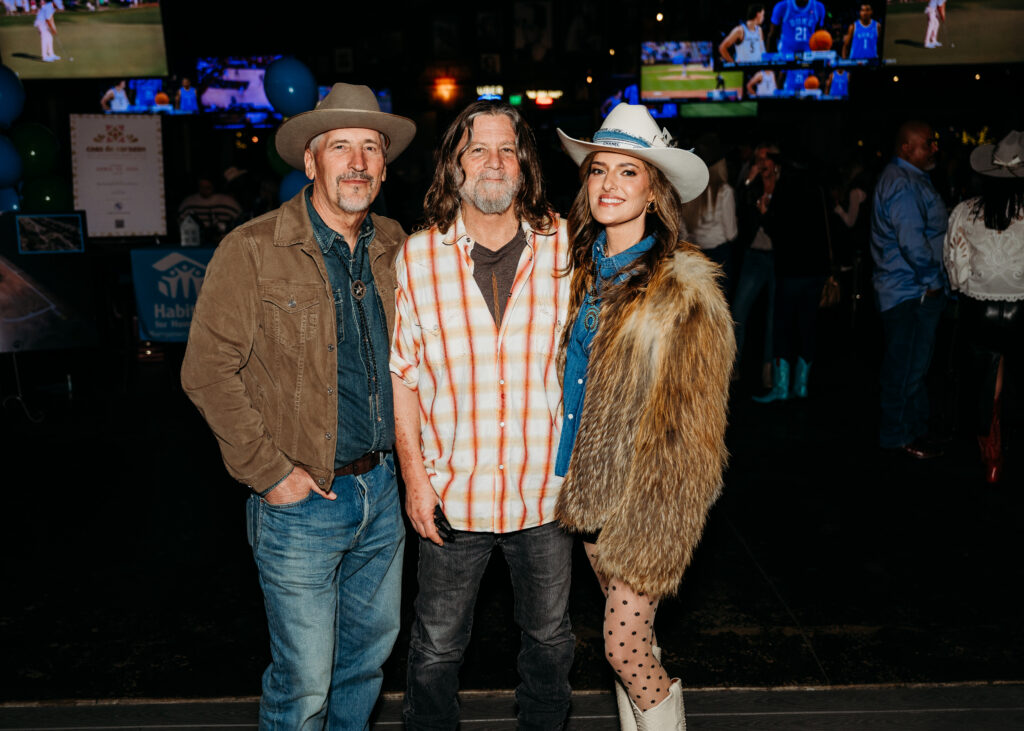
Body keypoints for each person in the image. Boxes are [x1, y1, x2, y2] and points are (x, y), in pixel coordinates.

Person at [180, 83, 416, 729]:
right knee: (304, 685)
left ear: (385, 165)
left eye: (371, 147)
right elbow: (205, 370)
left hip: (383, 494)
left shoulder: (397, 243)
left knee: (365, 668)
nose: (358, 161)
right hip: (302, 502)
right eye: (340, 146)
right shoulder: (252, 249)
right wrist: (271, 472)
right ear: (310, 161)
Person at [391, 100, 574, 730]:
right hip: (453, 497)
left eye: (507, 149)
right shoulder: (418, 258)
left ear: (525, 165)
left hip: (547, 494)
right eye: (477, 149)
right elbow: (404, 377)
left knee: (550, 644)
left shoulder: (567, 250)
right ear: (454, 166)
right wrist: (415, 482)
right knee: (436, 649)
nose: (493, 162)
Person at [554, 104, 734, 729]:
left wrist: (656, 521)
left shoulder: (683, 289)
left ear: (653, 190)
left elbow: (691, 429)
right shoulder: (577, 271)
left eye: (627, 172)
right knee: (637, 647)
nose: (608, 184)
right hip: (583, 491)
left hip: (644, 503)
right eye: (599, 170)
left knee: (623, 647)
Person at [944, 130, 1024, 483]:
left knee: (986, 382)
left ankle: (991, 456)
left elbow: (956, 266)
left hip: (980, 310)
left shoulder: (965, 211)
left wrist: (969, 286)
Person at [870, 120, 948, 458]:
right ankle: (897, 436)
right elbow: (912, 242)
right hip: (910, 291)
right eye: (927, 142)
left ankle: (913, 431)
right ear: (906, 148)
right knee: (905, 370)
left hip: (907, 288)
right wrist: (931, 283)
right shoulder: (902, 183)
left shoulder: (907, 178)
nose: (934, 148)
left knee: (911, 367)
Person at [753, 149, 832, 402]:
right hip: (816, 271)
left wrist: (764, 215)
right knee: (808, 326)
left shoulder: (786, 188)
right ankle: (801, 386)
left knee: (784, 327)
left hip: (791, 270)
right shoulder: (818, 189)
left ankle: (781, 388)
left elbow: (777, 231)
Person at [733, 143, 781, 388]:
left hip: (778, 257)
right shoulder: (753, 184)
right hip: (754, 254)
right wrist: (748, 183)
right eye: (757, 159)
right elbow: (740, 209)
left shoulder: (785, 185)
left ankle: (769, 372)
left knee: (775, 318)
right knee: (738, 312)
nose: (761, 164)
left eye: (766, 159)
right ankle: (734, 368)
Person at [682, 136, 738, 294]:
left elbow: (682, 228)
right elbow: (731, 234)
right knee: (719, 307)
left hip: (694, 254)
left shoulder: (691, 189)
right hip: (719, 257)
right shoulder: (724, 192)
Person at [176, 174, 242, 244]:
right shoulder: (188, 203)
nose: (204, 190)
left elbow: (240, 222)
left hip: (223, 242)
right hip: (196, 242)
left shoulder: (229, 202)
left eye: (208, 187)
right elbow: (180, 223)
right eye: (201, 187)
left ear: (214, 186)